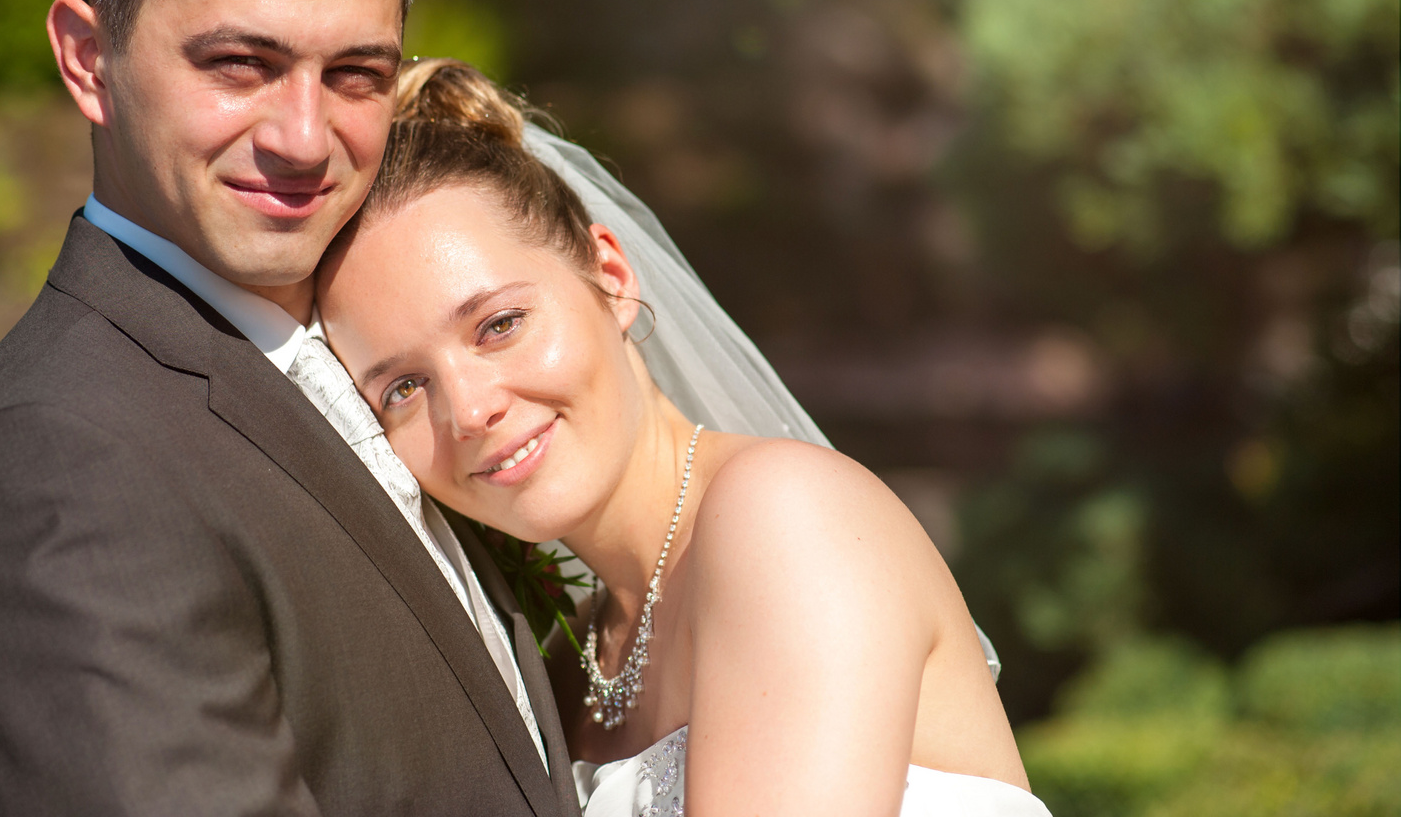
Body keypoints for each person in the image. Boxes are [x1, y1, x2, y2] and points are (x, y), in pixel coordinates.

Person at [0, 0, 579, 816]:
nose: (304, 136)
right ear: (88, 58)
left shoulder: (397, 371)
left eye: (355, 76)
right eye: (239, 65)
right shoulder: (58, 467)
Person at [316, 60, 1054, 816]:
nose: (467, 411)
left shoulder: (788, 517)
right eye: (402, 388)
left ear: (611, 274)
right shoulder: (571, 664)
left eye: (499, 325)